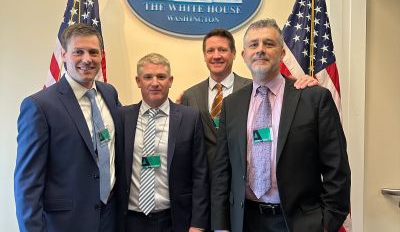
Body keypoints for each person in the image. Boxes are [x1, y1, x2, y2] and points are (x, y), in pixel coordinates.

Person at [211, 19, 351, 232]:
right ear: (244, 55)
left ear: (283, 52)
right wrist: (221, 226)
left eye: (269, 44)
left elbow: (337, 168)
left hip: (298, 223)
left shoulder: (313, 98)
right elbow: (222, 171)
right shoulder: (232, 104)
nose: (260, 50)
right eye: (253, 45)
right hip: (244, 221)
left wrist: (326, 223)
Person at [14, 23, 122, 232]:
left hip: (110, 219)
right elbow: (27, 183)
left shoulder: (110, 94)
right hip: (65, 224)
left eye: (93, 52)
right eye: (78, 52)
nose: (87, 59)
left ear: (102, 55)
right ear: (63, 54)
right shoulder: (40, 106)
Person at [180, 28, 317, 172]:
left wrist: (303, 81)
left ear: (234, 54)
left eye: (222, 50)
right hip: (204, 179)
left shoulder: (256, 89)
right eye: (210, 51)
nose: (216, 56)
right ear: (204, 55)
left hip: (243, 177)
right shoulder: (190, 96)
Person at [118, 53, 209, 232]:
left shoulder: (190, 118)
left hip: (175, 219)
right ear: (138, 81)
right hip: (131, 221)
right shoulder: (122, 117)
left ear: (170, 80)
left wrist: (198, 224)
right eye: (148, 77)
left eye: (161, 77)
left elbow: (200, 174)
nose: (154, 83)